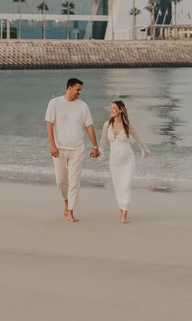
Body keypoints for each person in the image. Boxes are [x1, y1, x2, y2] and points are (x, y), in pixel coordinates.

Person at [44, 77, 100, 222]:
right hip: (59, 148)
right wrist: (52, 144)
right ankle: (66, 202)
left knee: (74, 181)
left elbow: (89, 126)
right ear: (69, 88)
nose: (80, 93)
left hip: (77, 149)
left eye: (81, 90)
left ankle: (70, 212)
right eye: (78, 89)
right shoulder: (54, 103)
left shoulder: (83, 106)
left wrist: (95, 146)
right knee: (61, 181)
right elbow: (49, 124)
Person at [99, 99, 149, 223]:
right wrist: (99, 152)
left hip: (128, 161)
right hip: (114, 162)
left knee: (125, 186)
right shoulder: (107, 124)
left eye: (114, 108)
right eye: (111, 108)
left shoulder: (129, 125)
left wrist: (145, 151)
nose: (111, 110)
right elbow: (103, 141)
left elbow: (139, 140)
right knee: (118, 187)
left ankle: (124, 214)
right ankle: (122, 209)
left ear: (121, 110)